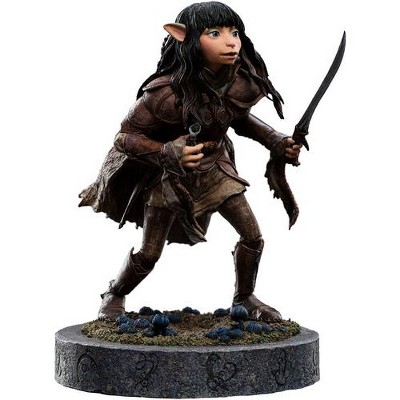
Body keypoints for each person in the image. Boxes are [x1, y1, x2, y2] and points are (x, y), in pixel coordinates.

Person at [79, 1, 301, 322]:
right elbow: (124, 137)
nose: (231, 42)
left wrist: (276, 140)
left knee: (253, 236)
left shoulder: (235, 82)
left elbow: (239, 119)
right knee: (150, 253)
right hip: (169, 179)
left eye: (234, 32)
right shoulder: (164, 94)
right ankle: (115, 293)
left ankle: (245, 297)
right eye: (215, 33)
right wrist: (167, 152)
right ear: (184, 36)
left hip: (216, 170)